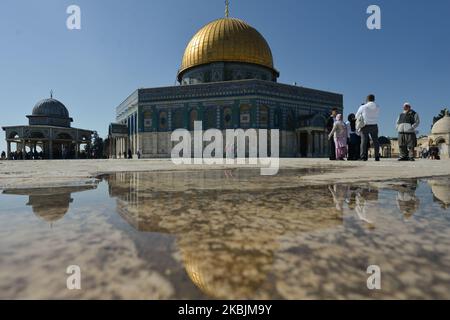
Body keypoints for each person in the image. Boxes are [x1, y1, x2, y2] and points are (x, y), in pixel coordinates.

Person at [356, 94, 380, 161]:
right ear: (374, 99)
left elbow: (356, 115)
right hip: (374, 125)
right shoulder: (377, 106)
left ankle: (363, 157)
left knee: (363, 141)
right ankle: (377, 156)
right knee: (376, 141)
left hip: (365, 125)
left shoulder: (363, 107)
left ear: (367, 99)